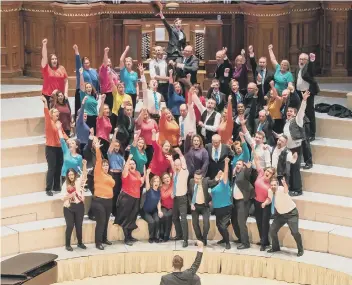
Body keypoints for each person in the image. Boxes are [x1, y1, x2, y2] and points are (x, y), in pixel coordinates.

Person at [280, 90, 309, 196]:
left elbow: (301, 111)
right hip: (288, 149)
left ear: (295, 114)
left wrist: (304, 100)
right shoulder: (287, 123)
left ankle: (298, 189)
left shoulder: (298, 121)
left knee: (295, 169)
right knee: (290, 169)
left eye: (291, 111)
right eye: (288, 111)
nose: (289, 112)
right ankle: (291, 187)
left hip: (296, 149)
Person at [267, 177, 304, 257]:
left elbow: (286, 190)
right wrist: (264, 203)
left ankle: (300, 249)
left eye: (274, 185)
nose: (273, 186)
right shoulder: (270, 191)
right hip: (280, 215)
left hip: (291, 214)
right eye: (271, 185)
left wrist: (284, 184)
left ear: (277, 185)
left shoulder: (281, 189)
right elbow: (270, 199)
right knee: (272, 230)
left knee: (294, 232)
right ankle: (275, 247)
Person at [115, 154, 144, 246]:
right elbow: (125, 169)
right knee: (126, 218)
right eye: (130, 164)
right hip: (127, 198)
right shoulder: (126, 173)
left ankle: (130, 236)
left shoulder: (138, 173)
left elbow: (139, 185)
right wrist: (129, 159)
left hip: (136, 198)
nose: (132, 165)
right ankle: (126, 238)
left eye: (133, 164)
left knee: (132, 218)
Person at [91, 143, 115, 250]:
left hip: (109, 201)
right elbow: (99, 159)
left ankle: (104, 238)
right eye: (104, 165)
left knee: (106, 221)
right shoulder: (98, 173)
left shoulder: (109, 175)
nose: (105, 166)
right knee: (101, 221)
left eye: (107, 165)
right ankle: (98, 242)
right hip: (99, 201)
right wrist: (97, 149)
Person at [252, 150, 276, 251]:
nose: (267, 173)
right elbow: (257, 160)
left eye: (270, 173)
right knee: (258, 222)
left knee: (264, 223)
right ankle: (263, 240)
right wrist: (253, 148)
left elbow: (270, 198)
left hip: (265, 204)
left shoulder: (272, 184)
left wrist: (265, 203)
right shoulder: (261, 173)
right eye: (267, 171)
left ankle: (264, 243)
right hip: (256, 202)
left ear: (272, 175)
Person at [41, 95, 65, 196]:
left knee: (59, 166)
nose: (57, 113)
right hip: (50, 148)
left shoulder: (59, 123)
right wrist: (46, 103)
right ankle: (48, 188)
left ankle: (56, 186)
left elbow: (63, 134)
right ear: (51, 114)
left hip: (59, 148)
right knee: (52, 167)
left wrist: (69, 140)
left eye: (58, 112)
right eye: (55, 112)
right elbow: (46, 113)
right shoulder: (49, 122)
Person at [60, 162, 87, 252]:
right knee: (70, 225)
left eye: (72, 174)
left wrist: (84, 165)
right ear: (67, 176)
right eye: (69, 175)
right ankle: (67, 244)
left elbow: (84, 176)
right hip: (68, 207)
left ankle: (80, 242)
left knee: (79, 225)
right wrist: (69, 195)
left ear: (74, 174)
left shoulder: (78, 181)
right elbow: (62, 198)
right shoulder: (65, 185)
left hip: (79, 206)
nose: (71, 176)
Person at [294, 52, 319, 141]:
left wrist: (312, 62)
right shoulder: (297, 68)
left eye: (303, 59)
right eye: (300, 59)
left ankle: (312, 134)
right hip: (299, 92)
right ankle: (301, 131)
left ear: (307, 61)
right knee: (300, 112)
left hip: (307, 93)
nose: (301, 61)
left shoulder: (308, 68)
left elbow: (311, 71)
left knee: (309, 113)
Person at [190, 169, 219, 246]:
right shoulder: (191, 182)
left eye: (198, 178)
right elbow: (189, 194)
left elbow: (213, 182)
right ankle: (200, 240)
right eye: (195, 178)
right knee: (194, 223)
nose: (196, 180)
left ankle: (204, 239)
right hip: (195, 206)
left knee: (206, 224)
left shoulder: (206, 181)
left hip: (204, 206)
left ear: (202, 178)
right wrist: (191, 203)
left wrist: (216, 178)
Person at [231, 160, 254, 250]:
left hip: (243, 202)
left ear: (243, 166)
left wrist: (248, 167)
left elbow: (248, 173)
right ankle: (241, 238)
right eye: (236, 164)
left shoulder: (244, 172)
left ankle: (245, 243)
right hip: (235, 202)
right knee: (235, 221)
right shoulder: (235, 175)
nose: (237, 165)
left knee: (241, 222)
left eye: (239, 164)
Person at [73, 44, 99, 119]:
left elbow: (97, 82)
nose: (87, 64)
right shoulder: (80, 70)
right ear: (82, 64)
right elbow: (78, 62)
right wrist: (76, 51)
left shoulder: (94, 71)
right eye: (85, 63)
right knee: (80, 110)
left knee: (91, 110)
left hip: (91, 92)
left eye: (88, 63)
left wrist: (97, 92)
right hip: (81, 92)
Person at [211, 157, 232, 250]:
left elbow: (226, 172)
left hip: (226, 207)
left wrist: (226, 163)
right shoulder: (216, 185)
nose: (221, 175)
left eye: (222, 174)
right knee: (218, 225)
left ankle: (228, 243)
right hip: (217, 208)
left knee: (223, 226)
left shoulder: (225, 183)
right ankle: (224, 238)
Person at [41, 38, 68, 108]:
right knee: (51, 115)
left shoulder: (62, 68)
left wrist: (66, 93)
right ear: (50, 61)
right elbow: (44, 57)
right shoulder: (46, 68)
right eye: (52, 59)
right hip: (49, 95)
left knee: (63, 113)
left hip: (60, 95)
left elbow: (66, 81)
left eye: (55, 59)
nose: (54, 60)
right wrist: (44, 45)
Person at [171, 148, 189, 247]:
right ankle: (179, 234)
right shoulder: (175, 174)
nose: (177, 166)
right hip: (176, 198)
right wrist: (173, 192)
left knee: (183, 219)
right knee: (174, 217)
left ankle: (185, 240)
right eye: (175, 164)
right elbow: (175, 184)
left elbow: (183, 160)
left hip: (182, 198)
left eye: (178, 164)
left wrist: (180, 153)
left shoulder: (184, 171)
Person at [141, 169, 162, 243]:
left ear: (159, 183)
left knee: (157, 220)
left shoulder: (159, 191)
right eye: (155, 181)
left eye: (158, 181)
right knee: (152, 222)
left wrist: (159, 211)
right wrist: (147, 174)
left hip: (153, 210)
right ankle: (151, 237)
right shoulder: (149, 189)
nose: (156, 182)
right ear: (152, 182)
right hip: (145, 211)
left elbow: (158, 202)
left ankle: (156, 237)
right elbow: (147, 181)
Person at [107, 128, 125, 217]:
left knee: (118, 193)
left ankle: (115, 211)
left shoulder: (121, 155)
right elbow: (113, 142)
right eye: (115, 146)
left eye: (118, 146)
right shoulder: (110, 153)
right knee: (113, 193)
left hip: (120, 175)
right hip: (113, 174)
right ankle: (110, 210)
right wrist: (115, 132)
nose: (116, 147)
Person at [79, 67, 98, 133]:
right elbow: (81, 85)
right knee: (89, 135)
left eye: (90, 87)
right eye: (87, 87)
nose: (88, 88)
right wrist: (81, 74)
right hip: (88, 117)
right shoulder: (83, 95)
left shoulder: (93, 97)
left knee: (94, 135)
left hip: (95, 117)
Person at [119, 46, 139, 110]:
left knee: (132, 111)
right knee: (125, 111)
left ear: (132, 63)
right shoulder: (123, 70)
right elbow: (121, 60)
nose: (128, 63)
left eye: (129, 61)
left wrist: (138, 95)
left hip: (133, 94)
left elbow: (136, 85)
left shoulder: (135, 73)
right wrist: (126, 50)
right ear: (125, 63)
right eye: (126, 61)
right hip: (125, 94)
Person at [99, 47, 118, 111]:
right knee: (108, 111)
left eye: (109, 62)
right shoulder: (103, 69)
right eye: (107, 61)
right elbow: (105, 62)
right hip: (107, 93)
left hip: (114, 93)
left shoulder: (113, 71)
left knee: (114, 111)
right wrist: (106, 52)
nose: (108, 63)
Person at [96, 94, 112, 158]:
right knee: (102, 158)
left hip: (107, 141)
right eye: (105, 109)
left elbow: (108, 132)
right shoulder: (100, 118)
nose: (107, 110)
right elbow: (100, 111)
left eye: (107, 109)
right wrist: (102, 100)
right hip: (101, 139)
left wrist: (110, 141)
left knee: (106, 159)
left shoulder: (108, 119)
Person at [159, 172, 174, 242]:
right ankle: (161, 234)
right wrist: (170, 192)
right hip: (164, 206)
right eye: (164, 178)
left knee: (168, 216)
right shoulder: (161, 187)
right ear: (162, 180)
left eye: (167, 177)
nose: (167, 179)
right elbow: (163, 197)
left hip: (173, 207)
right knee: (163, 215)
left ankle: (166, 235)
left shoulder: (173, 184)